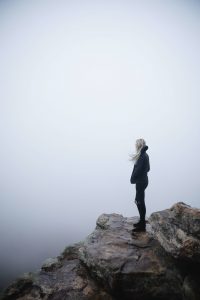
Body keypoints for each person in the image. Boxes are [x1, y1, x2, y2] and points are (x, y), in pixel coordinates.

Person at [130, 138, 150, 232]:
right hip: (143, 181)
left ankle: (142, 225)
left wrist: (133, 178)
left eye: (136, 144)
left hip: (141, 182)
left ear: (138, 145)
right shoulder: (144, 155)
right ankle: (142, 222)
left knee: (139, 201)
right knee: (139, 201)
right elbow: (148, 168)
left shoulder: (142, 155)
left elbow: (138, 170)